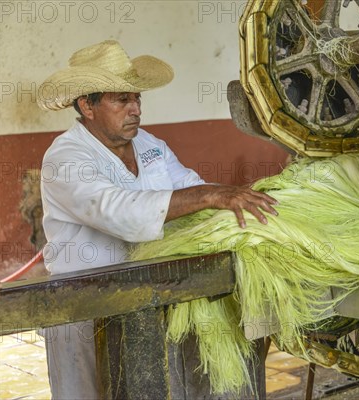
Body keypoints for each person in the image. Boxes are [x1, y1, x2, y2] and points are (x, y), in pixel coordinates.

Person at [37, 40, 277, 399]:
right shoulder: (66, 158)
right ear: (87, 105)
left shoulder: (150, 145)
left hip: (146, 301)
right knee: (92, 392)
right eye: (122, 99)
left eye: (137, 99)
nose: (135, 109)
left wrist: (236, 203)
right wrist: (211, 195)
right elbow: (122, 213)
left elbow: (190, 186)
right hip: (85, 310)